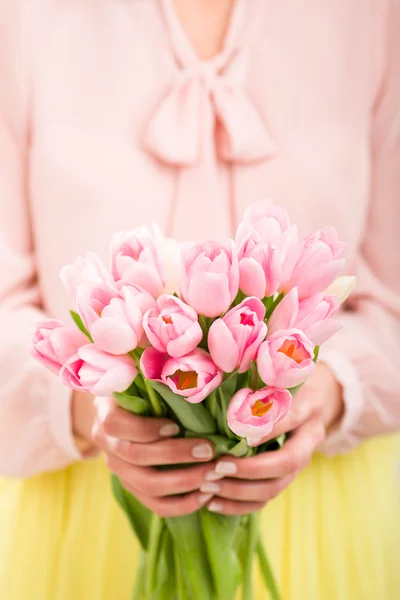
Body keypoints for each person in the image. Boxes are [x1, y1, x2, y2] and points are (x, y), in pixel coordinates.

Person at [0, 0, 399, 598]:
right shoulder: (23, 16)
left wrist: (331, 391)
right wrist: (94, 410)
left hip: (322, 510)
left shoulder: (375, 18)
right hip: (84, 506)